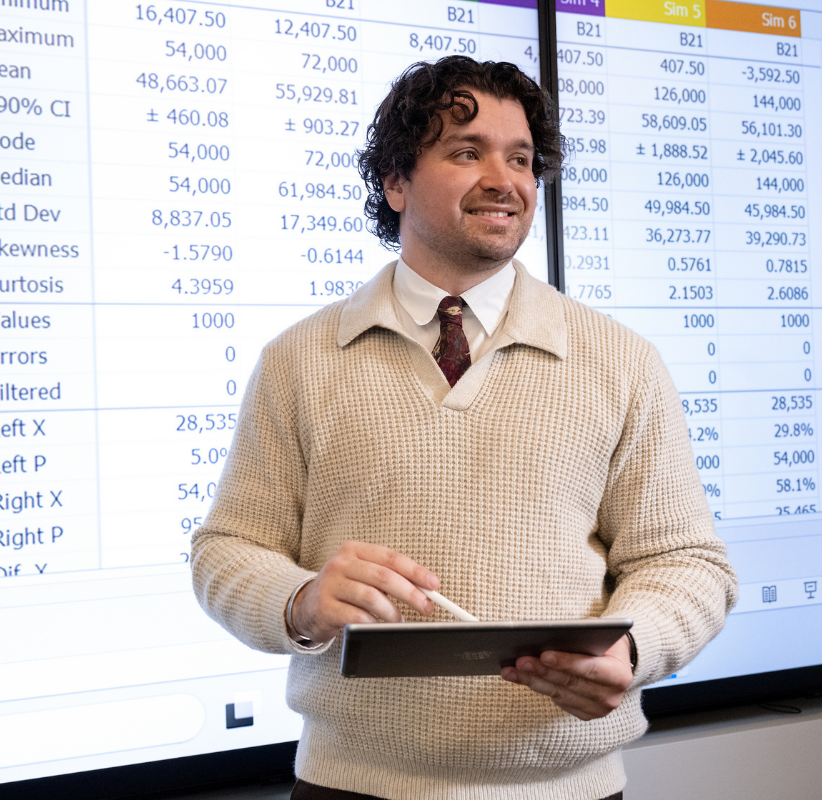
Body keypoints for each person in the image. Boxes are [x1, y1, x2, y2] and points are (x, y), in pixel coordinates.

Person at [190, 56, 737, 800]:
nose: (504, 179)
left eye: (520, 159)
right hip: (350, 788)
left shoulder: (622, 362)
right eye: (466, 151)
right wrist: (302, 602)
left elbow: (687, 563)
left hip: (570, 791)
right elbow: (228, 550)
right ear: (395, 183)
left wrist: (631, 647)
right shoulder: (299, 360)